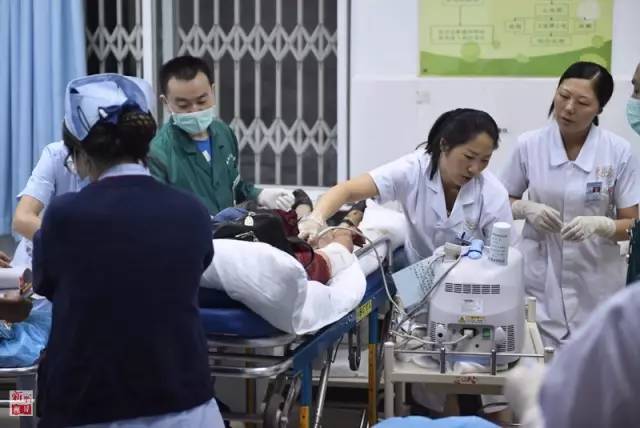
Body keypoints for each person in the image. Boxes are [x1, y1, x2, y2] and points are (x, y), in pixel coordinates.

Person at [32, 74, 223, 427]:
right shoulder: (192, 212)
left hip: (90, 403)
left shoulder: (64, 216)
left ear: (80, 153)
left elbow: (45, 283)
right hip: (187, 404)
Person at [500, 61, 640, 347]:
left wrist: (602, 225)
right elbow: (500, 201)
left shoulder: (618, 151)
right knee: (537, 357)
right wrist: (526, 208)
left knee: (594, 362)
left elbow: (632, 224)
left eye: (583, 102)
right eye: (563, 96)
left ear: (599, 108)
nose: (568, 108)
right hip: (539, 277)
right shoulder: (529, 145)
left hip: (596, 280)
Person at [299, 108, 513, 264]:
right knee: (409, 314)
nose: (475, 168)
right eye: (469, 157)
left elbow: (503, 259)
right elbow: (347, 190)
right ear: (444, 144)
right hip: (416, 270)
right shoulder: (413, 169)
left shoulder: (492, 194)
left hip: (469, 281)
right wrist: (315, 218)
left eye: (485, 160)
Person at [11, 75, 155, 268]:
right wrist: (77, 244)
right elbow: (22, 219)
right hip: (39, 262)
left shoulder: (132, 166)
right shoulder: (56, 155)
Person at [148, 55, 294, 214]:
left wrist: (260, 195)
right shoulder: (158, 153)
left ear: (212, 91)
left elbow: (233, 186)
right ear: (166, 103)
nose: (194, 110)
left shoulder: (224, 133)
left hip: (229, 229)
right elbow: (157, 211)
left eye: (202, 101)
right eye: (183, 105)